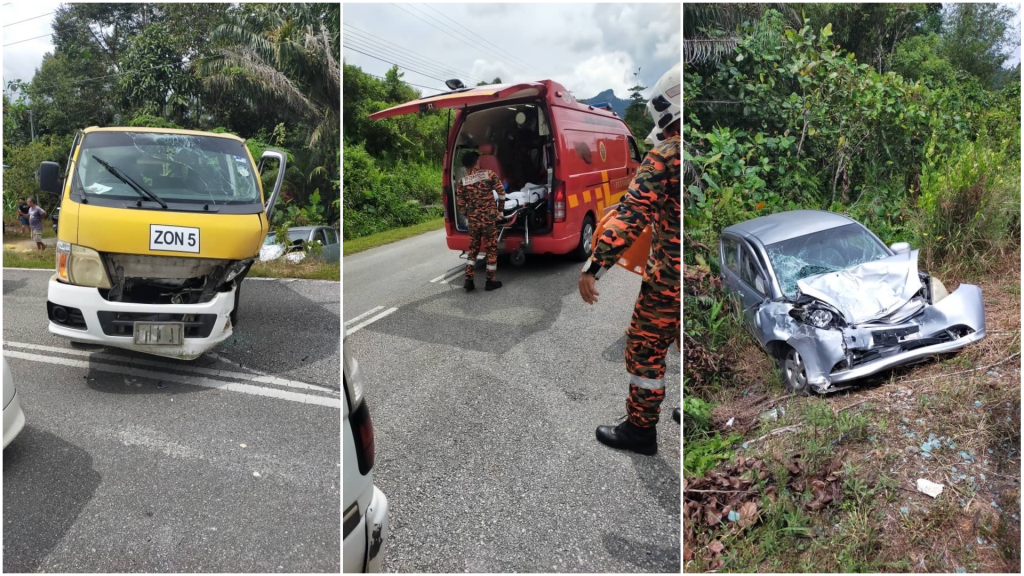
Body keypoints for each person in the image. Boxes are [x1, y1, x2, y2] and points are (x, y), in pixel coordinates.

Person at [579, 64, 681, 455]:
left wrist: (594, 267)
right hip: (704, 276)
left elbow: (631, 214)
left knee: (644, 351)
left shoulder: (666, 154)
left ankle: (640, 430)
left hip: (669, 281)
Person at [456, 151, 504, 292]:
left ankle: (468, 281)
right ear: (477, 162)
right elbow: (501, 193)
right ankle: (490, 282)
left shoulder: (462, 182)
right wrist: (500, 211)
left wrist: (468, 215)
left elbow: (460, 204)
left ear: (465, 166)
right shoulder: (488, 174)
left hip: (474, 222)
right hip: (489, 220)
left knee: (473, 251)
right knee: (491, 251)